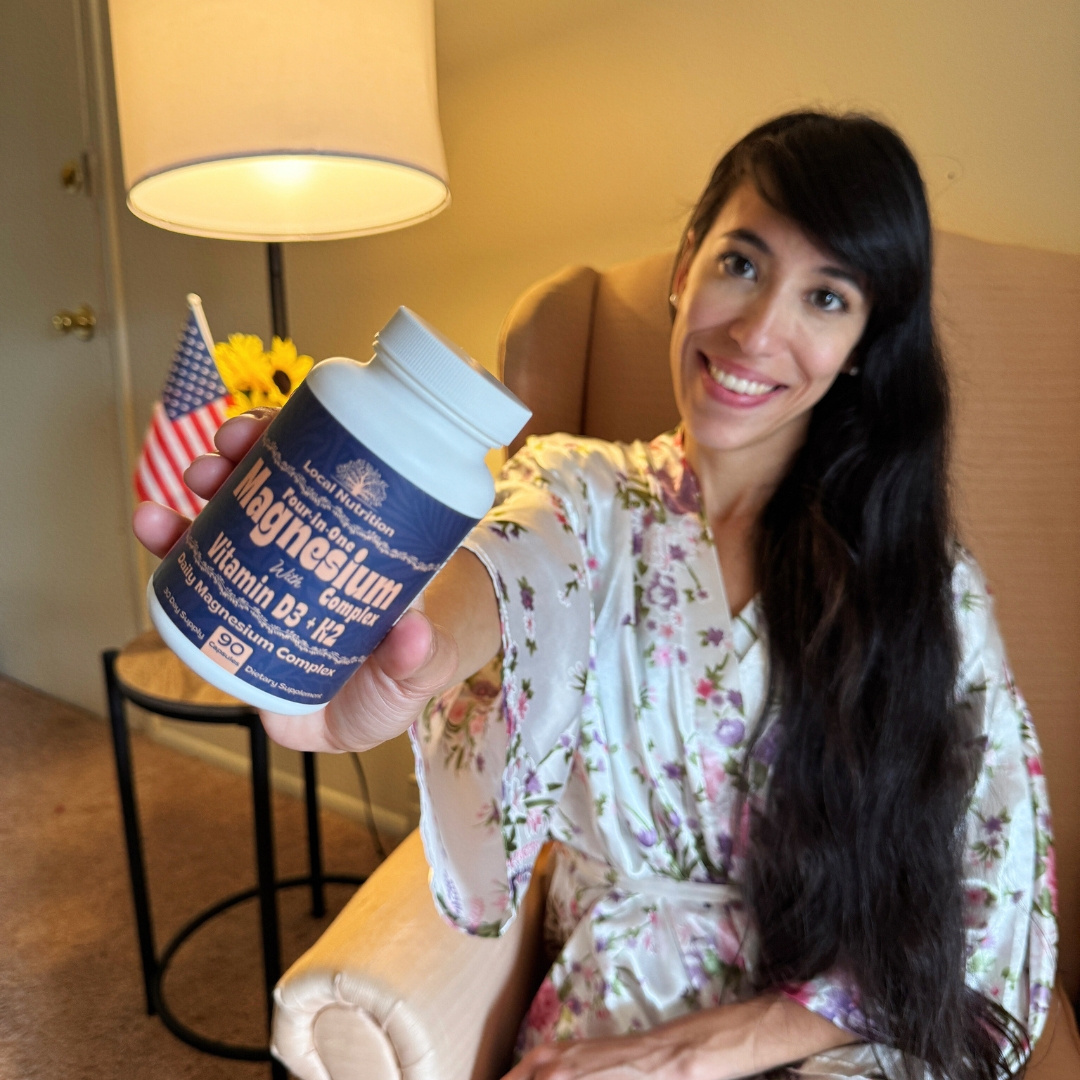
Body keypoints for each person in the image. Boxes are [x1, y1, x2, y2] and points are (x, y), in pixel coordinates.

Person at [135, 112, 1057, 1080]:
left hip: (841, 1033)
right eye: (741, 264)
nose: (756, 332)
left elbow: (989, 904)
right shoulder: (581, 496)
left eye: (826, 297)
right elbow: (497, 575)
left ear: (865, 342)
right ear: (685, 265)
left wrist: (688, 1056)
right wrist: (388, 656)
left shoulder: (922, 580)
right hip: (609, 1005)